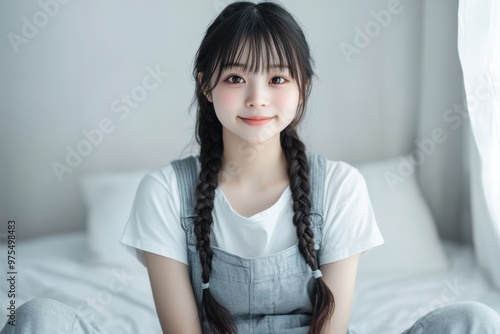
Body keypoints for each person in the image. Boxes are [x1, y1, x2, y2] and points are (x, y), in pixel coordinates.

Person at [2, 2, 500, 334]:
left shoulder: (340, 186)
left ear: (302, 86)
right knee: (39, 318)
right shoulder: (164, 192)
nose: (258, 98)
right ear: (205, 84)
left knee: (474, 319)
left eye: (278, 77)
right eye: (237, 76)